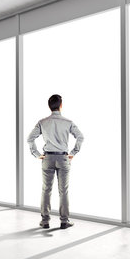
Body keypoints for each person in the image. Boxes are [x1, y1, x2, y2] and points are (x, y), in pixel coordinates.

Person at [27, 94, 84, 229]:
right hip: (63, 158)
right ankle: (64, 221)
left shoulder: (42, 122)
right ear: (61, 106)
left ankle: (45, 221)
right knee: (63, 191)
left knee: (46, 189)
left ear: (49, 106)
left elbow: (30, 138)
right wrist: (73, 153)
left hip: (47, 158)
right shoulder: (68, 122)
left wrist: (36, 154)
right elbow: (80, 137)